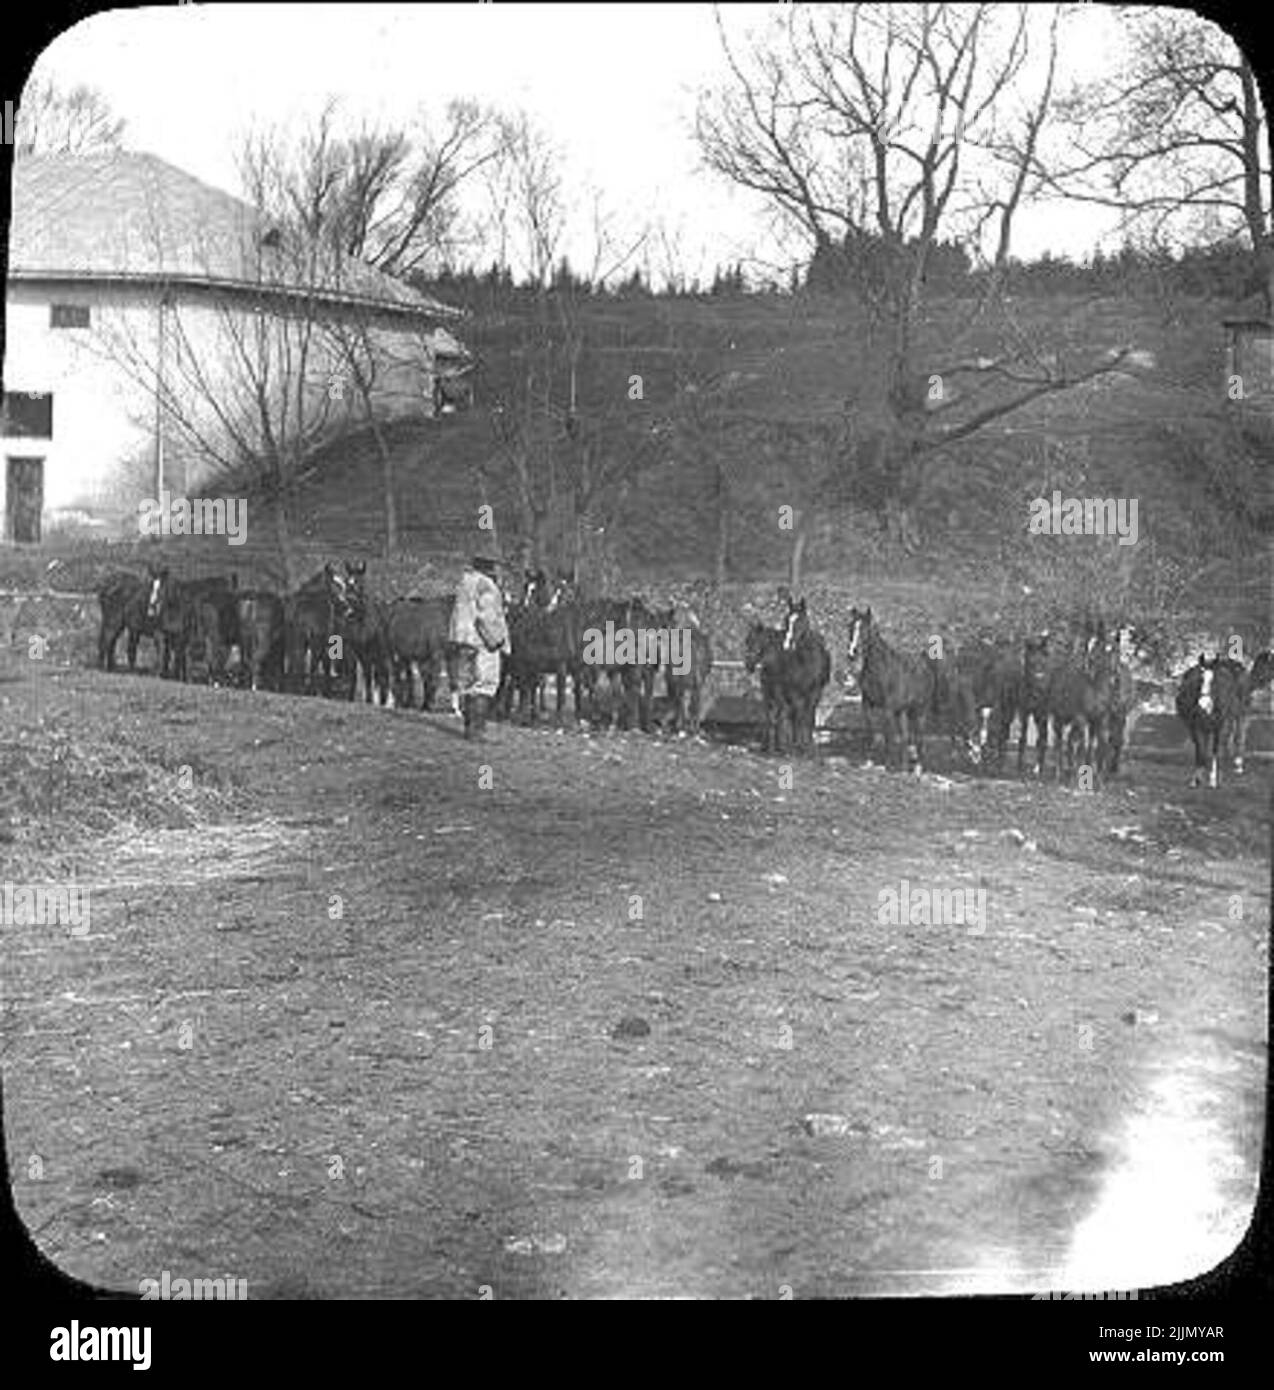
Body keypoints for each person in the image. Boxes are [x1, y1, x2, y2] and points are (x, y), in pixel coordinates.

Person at [449, 554, 510, 740]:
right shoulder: (486, 586)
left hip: (462, 640)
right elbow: (488, 617)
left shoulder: (464, 583)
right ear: (489, 567)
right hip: (483, 642)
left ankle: (469, 729)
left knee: (468, 684)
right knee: (485, 684)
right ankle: (478, 730)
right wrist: (500, 640)